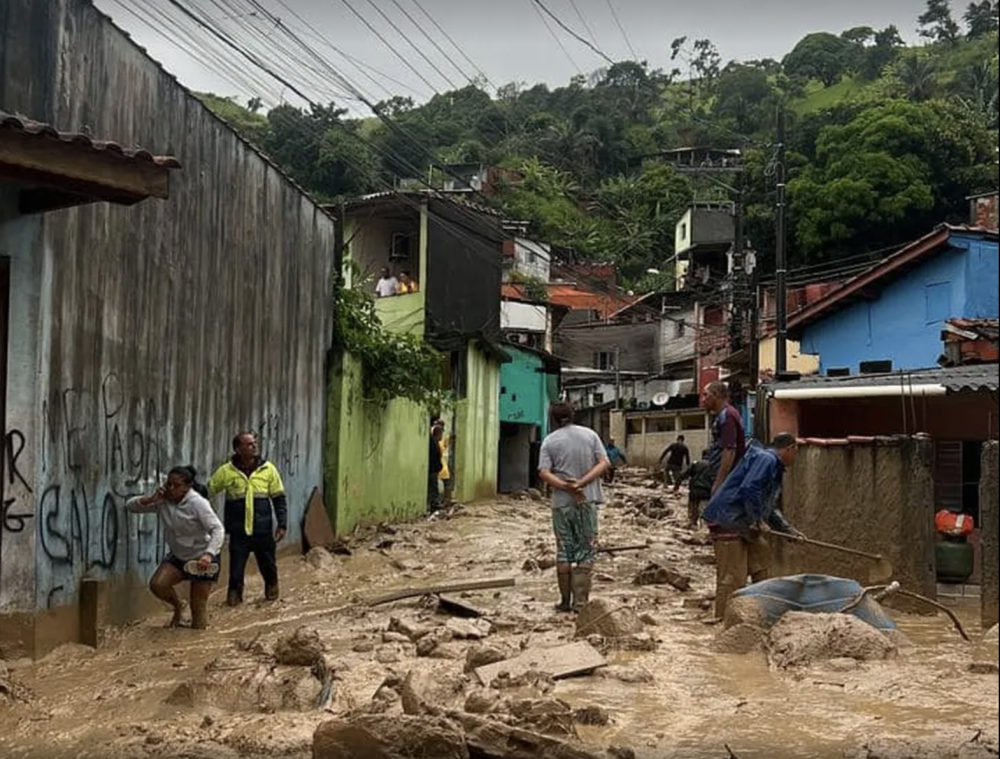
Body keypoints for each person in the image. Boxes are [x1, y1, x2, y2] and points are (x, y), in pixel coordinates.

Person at [702, 432, 805, 619]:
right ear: (790, 449)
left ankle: (762, 613)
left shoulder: (773, 466)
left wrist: (787, 530)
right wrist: (756, 520)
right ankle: (724, 621)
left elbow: (770, 507)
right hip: (728, 519)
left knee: (762, 563)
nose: (795, 457)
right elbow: (750, 487)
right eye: (796, 452)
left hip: (743, 522)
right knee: (732, 577)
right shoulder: (767, 459)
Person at [126, 466, 224, 629]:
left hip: (202, 558)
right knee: (157, 584)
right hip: (178, 556)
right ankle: (178, 606)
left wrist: (208, 554)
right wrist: (150, 499)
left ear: (187, 487)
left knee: (199, 619)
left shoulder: (198, 503)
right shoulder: (162, 501)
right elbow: (130, 506)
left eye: (176, 485)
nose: (171, 489)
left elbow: (217, 529)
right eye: (168, 484)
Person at [538, 403, 610, 613]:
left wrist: (566, 486)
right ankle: (581, 604)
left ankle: (564, 602)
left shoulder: (549, 440)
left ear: (552, 418)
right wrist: (581, 483)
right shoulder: (590, 435)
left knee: (564, 551)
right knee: (586, 550)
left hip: (561, 504)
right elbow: (604, 463)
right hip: (587, 501)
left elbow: (544, 472)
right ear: (572, 415)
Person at [208, 432, 288, 607]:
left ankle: (272, 598)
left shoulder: (268, 469)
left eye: (254, 443)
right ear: (238, 449)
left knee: (269, 568)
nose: (254, 446)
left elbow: (279, 498)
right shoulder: (226, 472)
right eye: (249, 444)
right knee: (235, 573)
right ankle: (233, 603)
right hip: (239, 532)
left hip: (263, 530)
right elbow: (208, 491)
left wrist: (282, 524)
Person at [702, 381, 746, 496]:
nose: (703, 399)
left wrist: (719, 483)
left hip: (729, 478)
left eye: (706, 395)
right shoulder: (723, 415)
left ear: (716, 395)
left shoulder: (727, 416)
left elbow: (729, 451)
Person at [679, 448, 713, 529]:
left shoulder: (695, 464)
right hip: (707, 492)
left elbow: (684, 475)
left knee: (693, 511)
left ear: (702, 455)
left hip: (694, 491)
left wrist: (678, 482)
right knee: (704, 511)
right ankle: (703, 529)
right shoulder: (713, 465)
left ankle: (692, 526)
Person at [428, 423, 444, 512]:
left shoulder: (434, 442)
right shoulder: (434, 443)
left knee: (434, 487)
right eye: (441, 434)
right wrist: (439, 466)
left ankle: (434, 504)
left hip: (434, 469)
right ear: (438, 434)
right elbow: (435, 456)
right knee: (434, 487)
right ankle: (434, 505)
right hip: (433, 469)